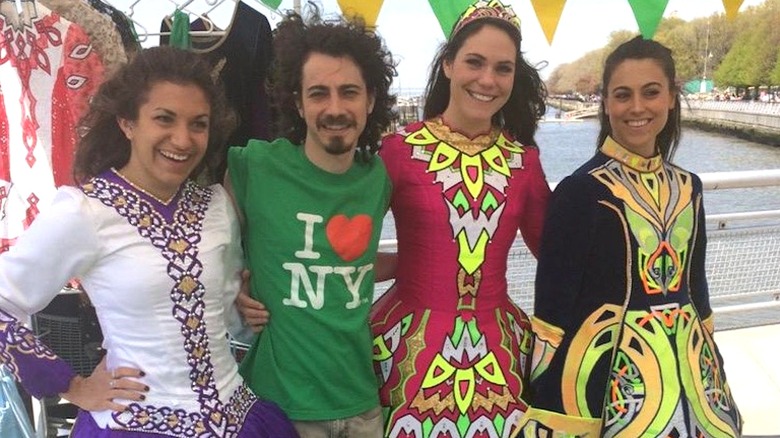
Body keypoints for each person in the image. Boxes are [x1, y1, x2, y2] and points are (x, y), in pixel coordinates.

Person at [0, 46, 297, 437]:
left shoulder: (216, 206)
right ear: (127, 122)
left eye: (198, 124)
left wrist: (241, 305)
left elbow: (220, 312)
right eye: (164, 119)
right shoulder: (85, 212)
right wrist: (71, 386)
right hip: (136, 424)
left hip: (240, 417)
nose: (183, 139)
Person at [515, 36, 742, 437]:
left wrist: (714, 367)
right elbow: (553, 309)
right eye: (623, 95)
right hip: (611, 383)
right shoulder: (579, 190)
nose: (637, 108)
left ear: (672, 97)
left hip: (694, 376)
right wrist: (548, 395)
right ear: (605, 102)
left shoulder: (690, 186)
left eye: (650, 92)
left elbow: (696, 288)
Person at [369, 0, 551, 436]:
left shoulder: (524, 161)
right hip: (404, 356)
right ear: (448, 64)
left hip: (501, 358)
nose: (487, 80)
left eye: (503, 68)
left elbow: (556, 253)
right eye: (474, 62)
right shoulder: (397, 151)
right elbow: (345, 244)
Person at [225, 8, 396, 438]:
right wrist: (235, 287)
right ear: (298, 102)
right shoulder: (254, 166)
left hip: (361, 406)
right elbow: (205, 241)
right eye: (319, 93)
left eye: (349, 92)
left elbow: (353, 261)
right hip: (282, 406)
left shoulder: (379, 177)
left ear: (370, 100)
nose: (335, 108)